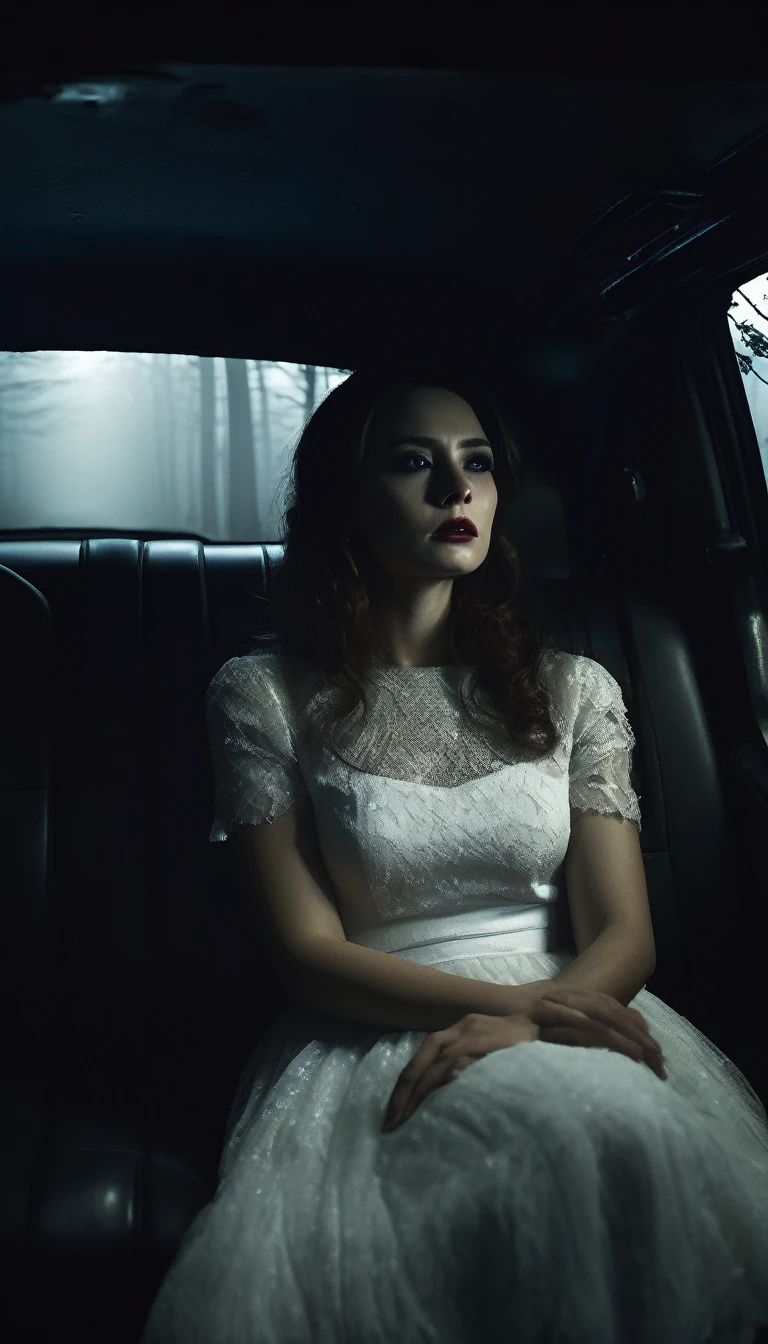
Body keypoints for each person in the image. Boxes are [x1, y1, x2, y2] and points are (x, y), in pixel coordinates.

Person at [140, 364, 768, 1343]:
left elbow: (626, 933)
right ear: (343, 497)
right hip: (376, 1021)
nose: (455, 488)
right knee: (542, 1153)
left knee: (616, 1139)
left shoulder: (576, 689)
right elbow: (305, 955)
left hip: (580, 1006)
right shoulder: (260, 695)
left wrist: (538, 1024)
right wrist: (511, 1015)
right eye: (412, 463)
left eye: (476, 464)